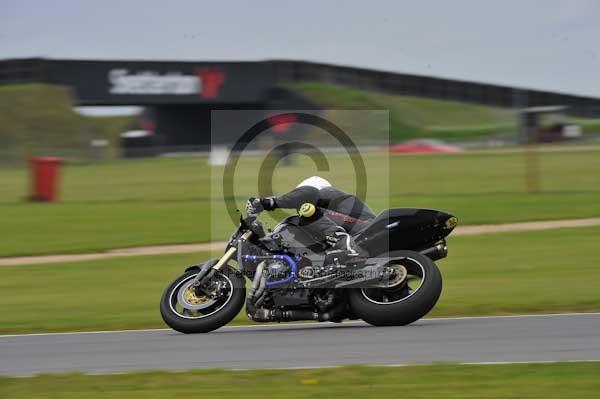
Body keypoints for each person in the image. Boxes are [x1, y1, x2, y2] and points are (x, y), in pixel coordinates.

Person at [245, 176, 375, 261]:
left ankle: (346, 245)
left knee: (308, 211)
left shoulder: (321, 192)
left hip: (363, 227)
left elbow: (306, 193)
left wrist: (267, 203)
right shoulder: (329, 205)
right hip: (359, 228)